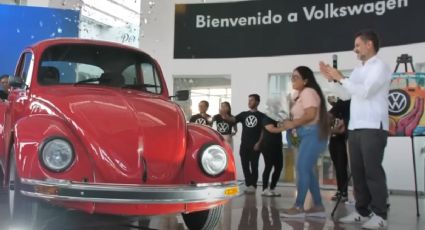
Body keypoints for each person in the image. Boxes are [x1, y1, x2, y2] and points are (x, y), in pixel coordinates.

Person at [320, 29, 391, 229]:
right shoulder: (359, 70)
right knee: (357, 172)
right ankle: (362, 211)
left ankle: (380, 214)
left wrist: (341, 77)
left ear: (369, 45)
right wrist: (333, 80)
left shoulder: (380, 67)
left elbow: (366, 91)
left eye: (358, 45)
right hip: (356, 126)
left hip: (373, 126)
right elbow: (347, 94)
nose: (355, 49)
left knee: (372, 171)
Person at [280, 66, 329, 218]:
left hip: (312, 134)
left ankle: (299, 206)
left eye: (296, 77)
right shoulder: (299, 94)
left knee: (302, 168)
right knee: (309, 171)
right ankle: (319, 206)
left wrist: (293, 124)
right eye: (292, 77)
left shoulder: (308, 92)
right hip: (308, 134)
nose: (292, 80)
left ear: (305, 80)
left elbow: (310, 114)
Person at [224, 94, 264, 193]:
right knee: (245, 165)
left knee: (254, 165)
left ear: (257, 102)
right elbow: (233, 120)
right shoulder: (243, 114)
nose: (249, 102)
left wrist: (259, 143)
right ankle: (248, 184)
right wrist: (225, 114)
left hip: (255, 145)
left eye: (252, 100)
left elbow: (264, 131)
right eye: (249, 100)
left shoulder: (262, 116)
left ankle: (253, 185)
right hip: (244, 145)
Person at [328, 96, 351, 202]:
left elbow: (341, 130)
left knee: (342, 166)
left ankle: (344, 192)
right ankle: (339, 190)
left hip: (342, 141)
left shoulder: (345, 111)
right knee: (337, 166)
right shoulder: (334, 113)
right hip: (332, 141)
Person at [260, 115, 284, 197]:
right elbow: (271, 129)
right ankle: (264, 189)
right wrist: (284, 127)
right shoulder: (267, 118)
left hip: (277, 146)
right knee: (268, 166)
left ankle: (272, 188)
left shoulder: (278, 118)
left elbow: (283, 124)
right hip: (267, 146)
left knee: (279, 167)